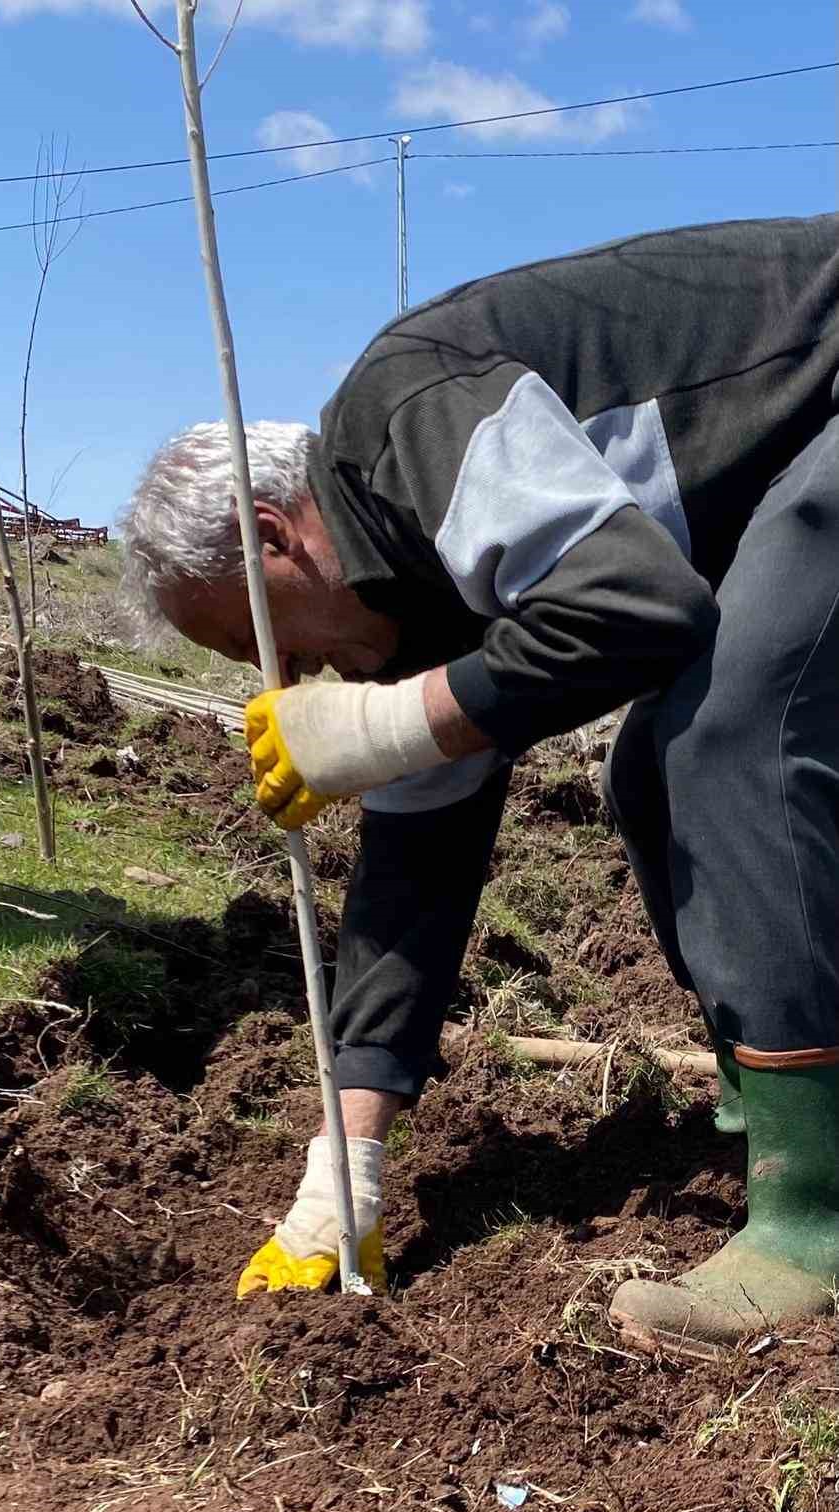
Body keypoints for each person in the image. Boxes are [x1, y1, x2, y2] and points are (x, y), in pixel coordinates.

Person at [122, 212, 839, 1354]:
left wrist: (383, 725)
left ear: (272, 538)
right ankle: (792, 1102)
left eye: (263, 647)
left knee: (732, 733)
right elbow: (414, 875)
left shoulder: (406, 417)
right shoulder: (399, 607)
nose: (289, 682)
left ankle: (814, 1220)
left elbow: (635, 611)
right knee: (647, 775)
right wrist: (344, 1163)